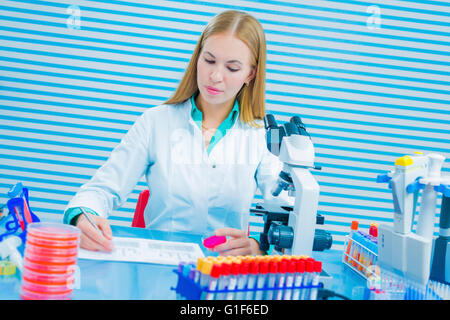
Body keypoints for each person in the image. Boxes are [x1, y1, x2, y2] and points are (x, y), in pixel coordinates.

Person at [63, 10, 289, 256]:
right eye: (209, 60)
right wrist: (84, 218)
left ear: (250, 74)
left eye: (232, 68)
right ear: (197, 58)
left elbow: (287, 210)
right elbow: (102, 189)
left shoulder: (262, 137)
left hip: (224, 275)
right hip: (160, 265)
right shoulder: (156, 121)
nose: (215, 76)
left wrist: (258, 243)